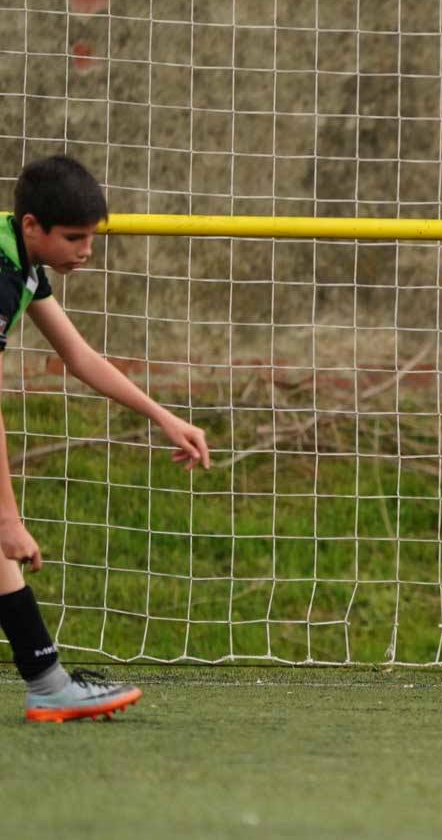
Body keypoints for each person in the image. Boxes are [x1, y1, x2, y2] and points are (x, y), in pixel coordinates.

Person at [0, 155, 211, 721]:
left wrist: (164, 417)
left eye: (91, 237)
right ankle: (47, 683)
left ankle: (47, 683)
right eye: (73, 237)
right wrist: (9, 520)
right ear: (31, 226)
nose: (86, 251)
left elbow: (78, 357)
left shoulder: (21, 263)